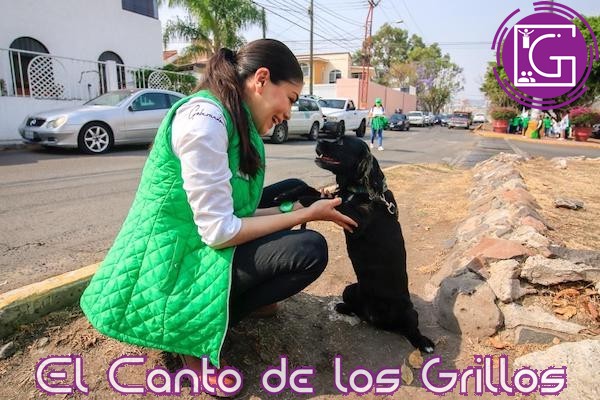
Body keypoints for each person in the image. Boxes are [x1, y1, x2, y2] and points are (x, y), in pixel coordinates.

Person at [79, 39, 357, 393]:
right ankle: (189, 336)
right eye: (290, 98)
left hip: (197, 240)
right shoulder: (204, 121)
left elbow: (235, 211)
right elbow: (219, 231)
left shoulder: (234, 118)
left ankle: (228, 307)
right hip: (172, 263)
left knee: (292, 191)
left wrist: (298, 209)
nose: (289, 112)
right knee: (309, 250)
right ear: (261, 79)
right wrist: (303, 216)